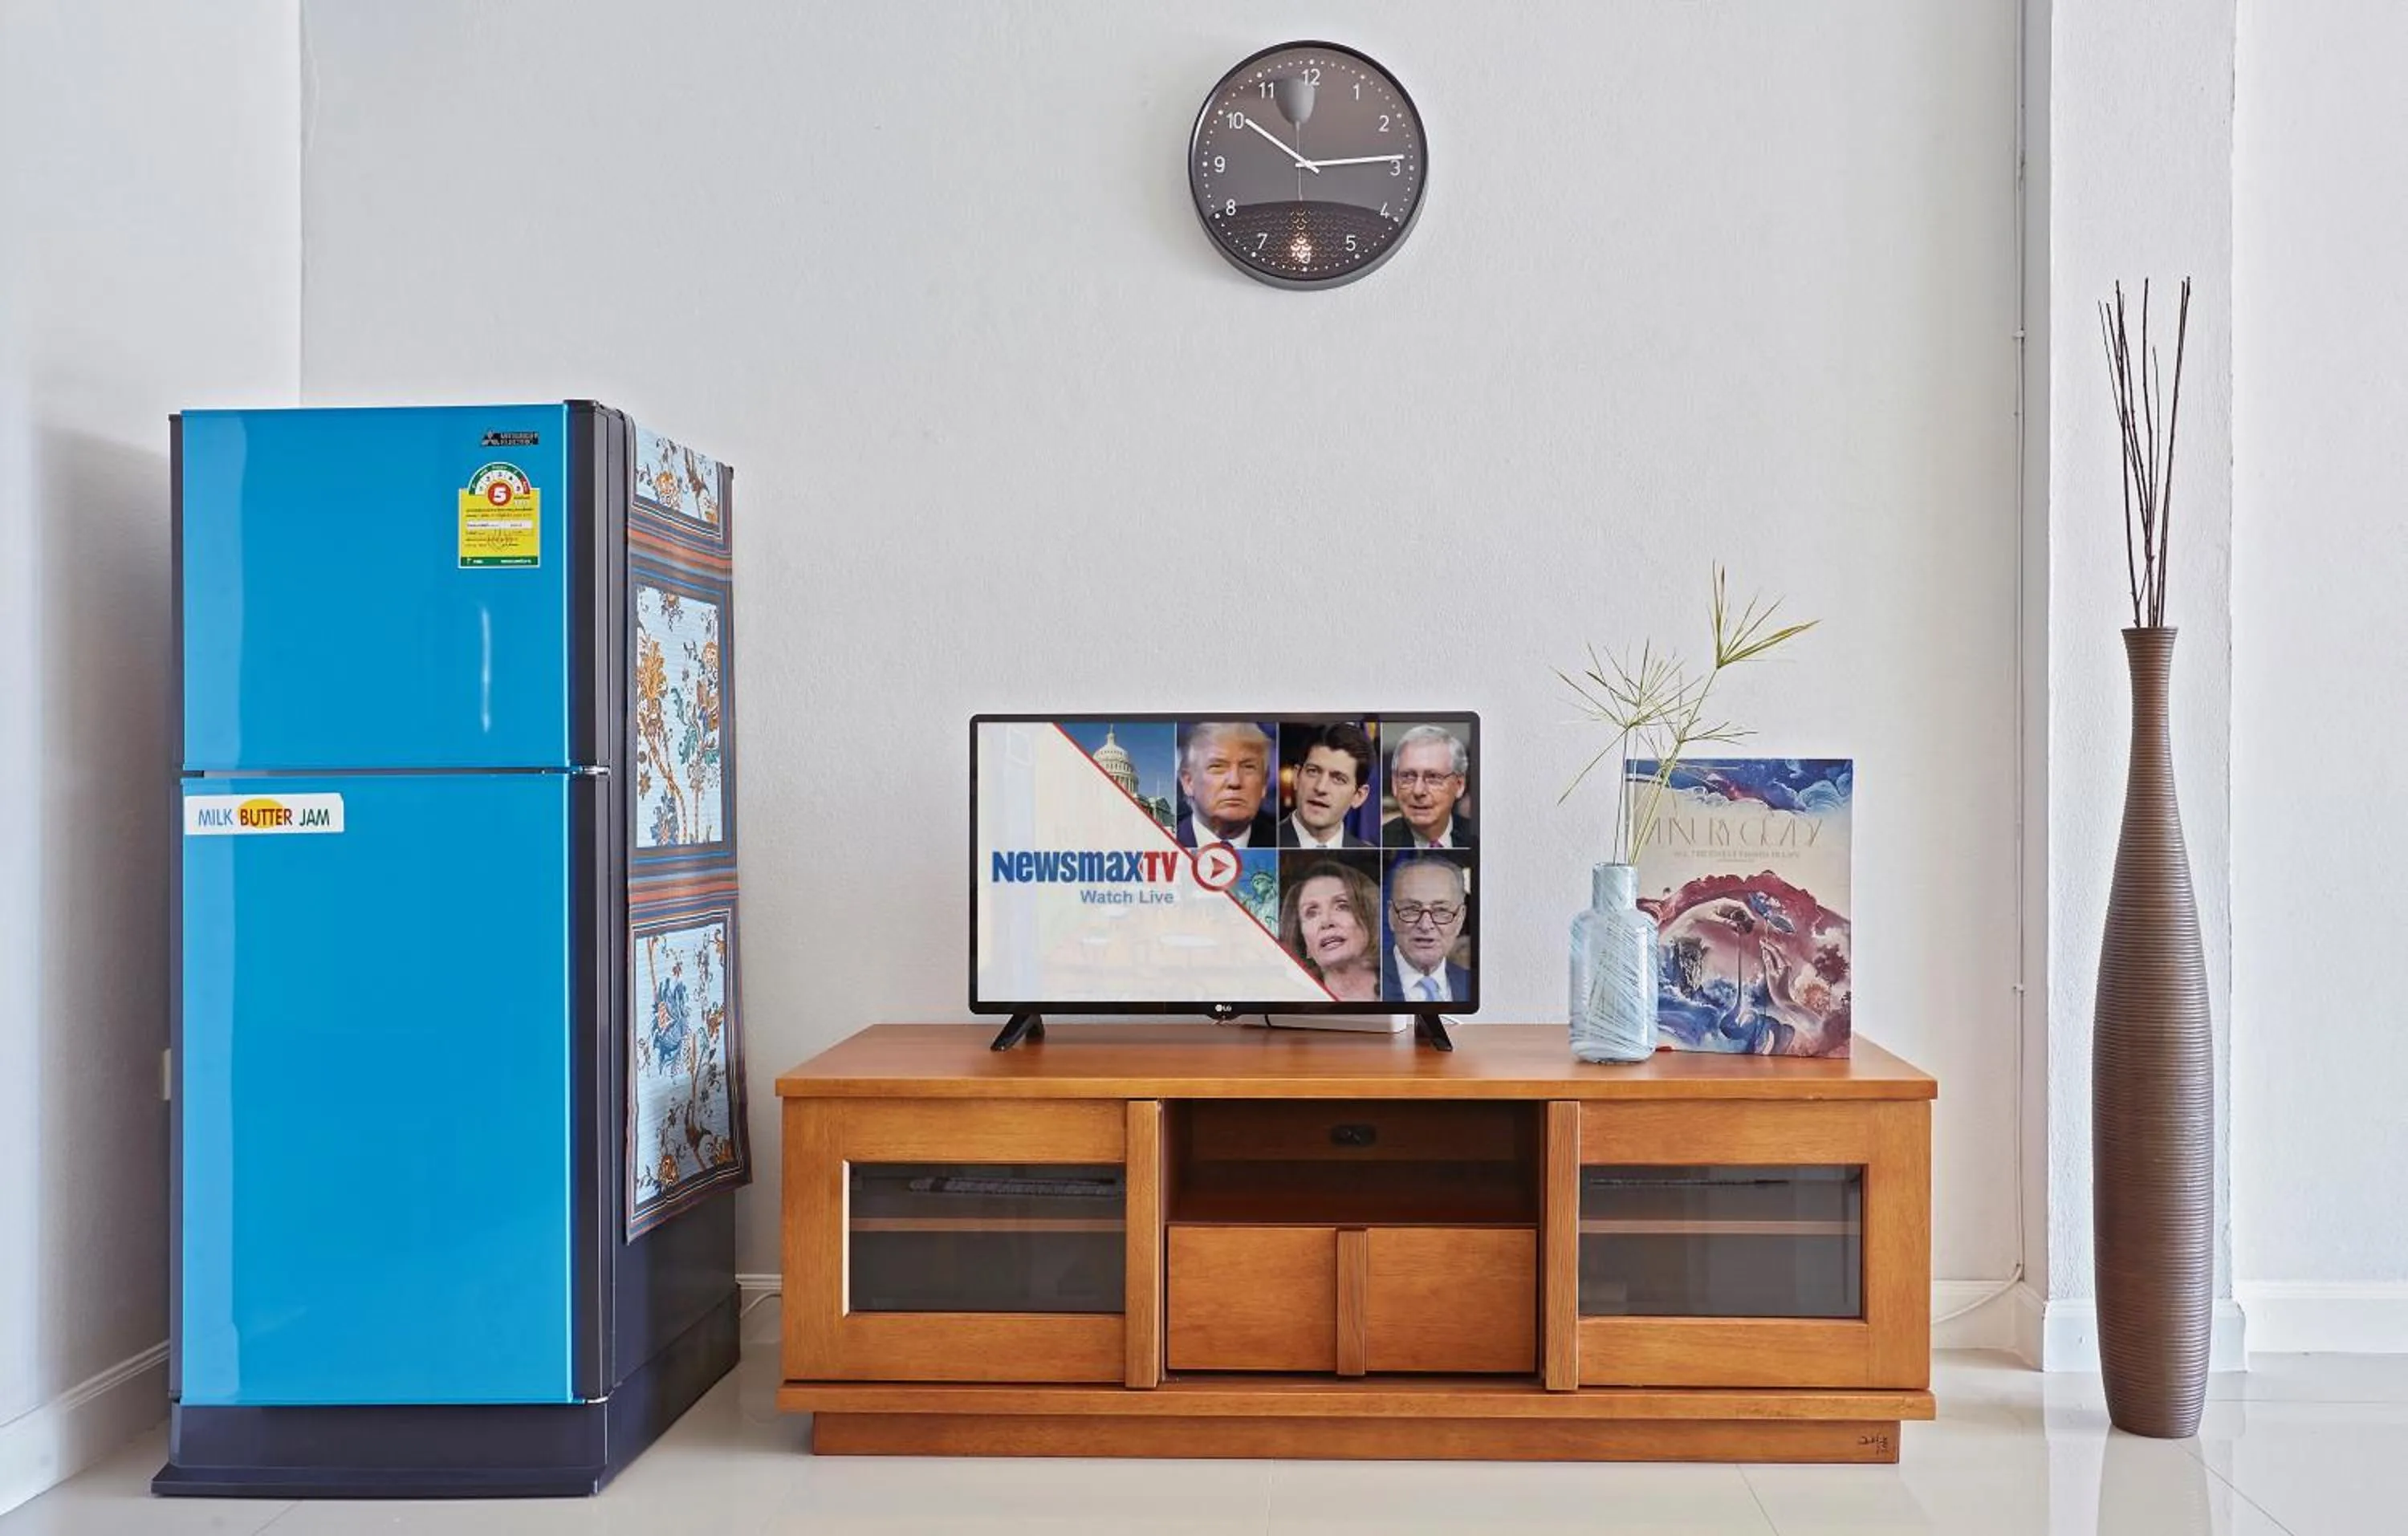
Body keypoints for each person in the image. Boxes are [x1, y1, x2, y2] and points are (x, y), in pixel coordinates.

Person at [1277, 860, 1382, 1002]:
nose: (1326, 922)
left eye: (1342, 906)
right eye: (1311, 913)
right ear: (1303, 942)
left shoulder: (1407, 991)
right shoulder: (1290, 1003)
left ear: (1371, 920)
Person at [1383, 855, 1473, 1004]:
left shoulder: (1473, 985)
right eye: (1412, 909)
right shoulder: (1363, 984)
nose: (1425, 925)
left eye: (1441, 910)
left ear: (1460, 919)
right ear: (1391, 916)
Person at [1174, 721, 1278, 848]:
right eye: (1217, 767)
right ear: (1188, 782)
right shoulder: (1159, 843)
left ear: (1264, 783)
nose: (1235, 782)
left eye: (1248, 767)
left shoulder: (1282, 844)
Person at [1277, 722, 1377, 848]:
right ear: (1297, 777)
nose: (1321, 788)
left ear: (1359, 796)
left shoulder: (1369, 857)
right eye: (1313, 771)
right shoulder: (1263, 844)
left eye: (1338, 779)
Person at [1381, 725, 1476, 848]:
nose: (1418, 790)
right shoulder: (1377, 843)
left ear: (1459, 785)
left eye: (1433, 778)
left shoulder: (1481, 838)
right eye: (1408, 777)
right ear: (1394, 784)